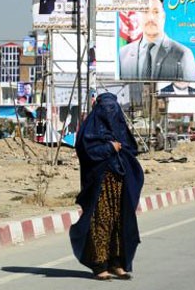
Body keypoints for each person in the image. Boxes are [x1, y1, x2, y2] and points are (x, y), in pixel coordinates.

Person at [69, 93, 144, 280]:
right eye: (105, 108)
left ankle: (117, 263)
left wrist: (120, 150)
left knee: (120, 222)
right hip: (99, 184)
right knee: (101, 222)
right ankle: (99, 265)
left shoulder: (120, 128)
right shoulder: (90, 128)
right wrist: (109, 148)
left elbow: (130, 149)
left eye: (113, 108)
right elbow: (86, 151)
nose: (109, 112)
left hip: (120, 183)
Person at [119, 0, 195, 81]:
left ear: (163, 17)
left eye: (156, 12)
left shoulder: (183, 54)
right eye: (145, 11)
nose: (151, 17)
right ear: (138, 16)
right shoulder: (122, 54)